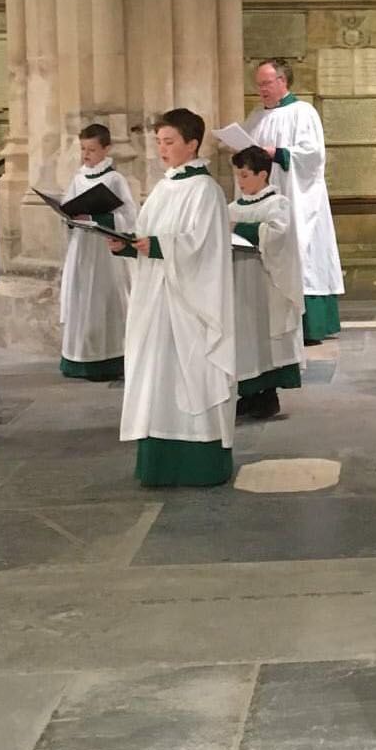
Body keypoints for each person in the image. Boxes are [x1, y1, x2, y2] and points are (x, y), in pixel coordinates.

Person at [115, 108, 236, 487]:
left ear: (192, 144)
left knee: (191, 376)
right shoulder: (164, 187)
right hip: (155, 300)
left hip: (189, 305)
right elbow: (146, 233)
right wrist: (126, 245)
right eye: (158, 142)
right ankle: (160, 461)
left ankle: (200, 462)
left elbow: (203, 248)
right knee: (156, 377)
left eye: (169, 142)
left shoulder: (205, 191)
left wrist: (158, 246)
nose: (161, 149)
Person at [245, 60, 345, 344]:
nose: (261, 89)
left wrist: (277, 153)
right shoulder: (256, 116)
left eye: (266, 83)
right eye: (259, 84)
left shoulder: (303, 112)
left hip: (298, 197)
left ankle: (310, 326)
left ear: (282, 81)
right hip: (265, 195)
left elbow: (313, 155)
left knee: (302, 255)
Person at [229, 146, 305, 422]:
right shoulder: (232, 208)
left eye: (245, 175)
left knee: (266, 334)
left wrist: (239, 229)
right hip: (239, 281)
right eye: (238, 175)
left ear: (263, 175)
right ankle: (248, 394)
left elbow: (277, 235)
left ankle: (268, 394)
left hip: (267, 283)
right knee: (245, 335)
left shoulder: (278, 204)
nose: (240, 181)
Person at [58, 123, 134, 382]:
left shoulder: (115, 179)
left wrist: (95, 218)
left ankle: (109, 360)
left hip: (104, 251)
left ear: (106, 149)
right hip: (82, 248)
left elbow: (128, 217)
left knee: (104, 298)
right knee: (81, 298)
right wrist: (69, 217)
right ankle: (77, 359)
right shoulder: (78, 178)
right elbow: (68, 208)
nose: (86, 155)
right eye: (83, 149)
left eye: (91, 149)